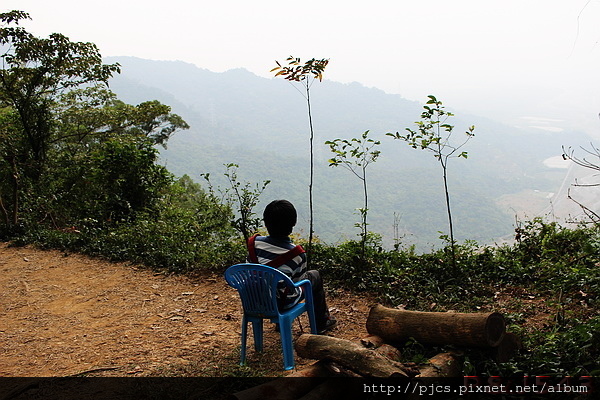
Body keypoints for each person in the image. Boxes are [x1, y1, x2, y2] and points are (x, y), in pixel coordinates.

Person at [246, 199, 337, 334]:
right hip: (282, 304)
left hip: (254, 300)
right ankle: (322, 322)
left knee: (275, 281)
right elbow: (296, 284)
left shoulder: (254, 244)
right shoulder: (297, 254)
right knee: (314, 276)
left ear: (265, 223)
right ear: (293, 223)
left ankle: (280, 323)